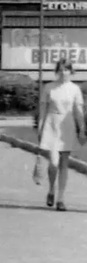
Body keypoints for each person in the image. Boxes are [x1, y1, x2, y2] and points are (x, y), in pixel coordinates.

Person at [36, 59, 83, 211]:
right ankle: (51, 190)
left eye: (67, 70)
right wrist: (40, 126)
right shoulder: (49, 87)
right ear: (57, 71)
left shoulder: (75, 89)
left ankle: (61, 198)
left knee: (64, 163)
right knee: (53, 162)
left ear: (71, 72)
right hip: (52, 123)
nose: (64, 73)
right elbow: (43, 109)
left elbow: (78, 111)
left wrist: (81, 128)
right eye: (61, 70)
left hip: (67, 125)